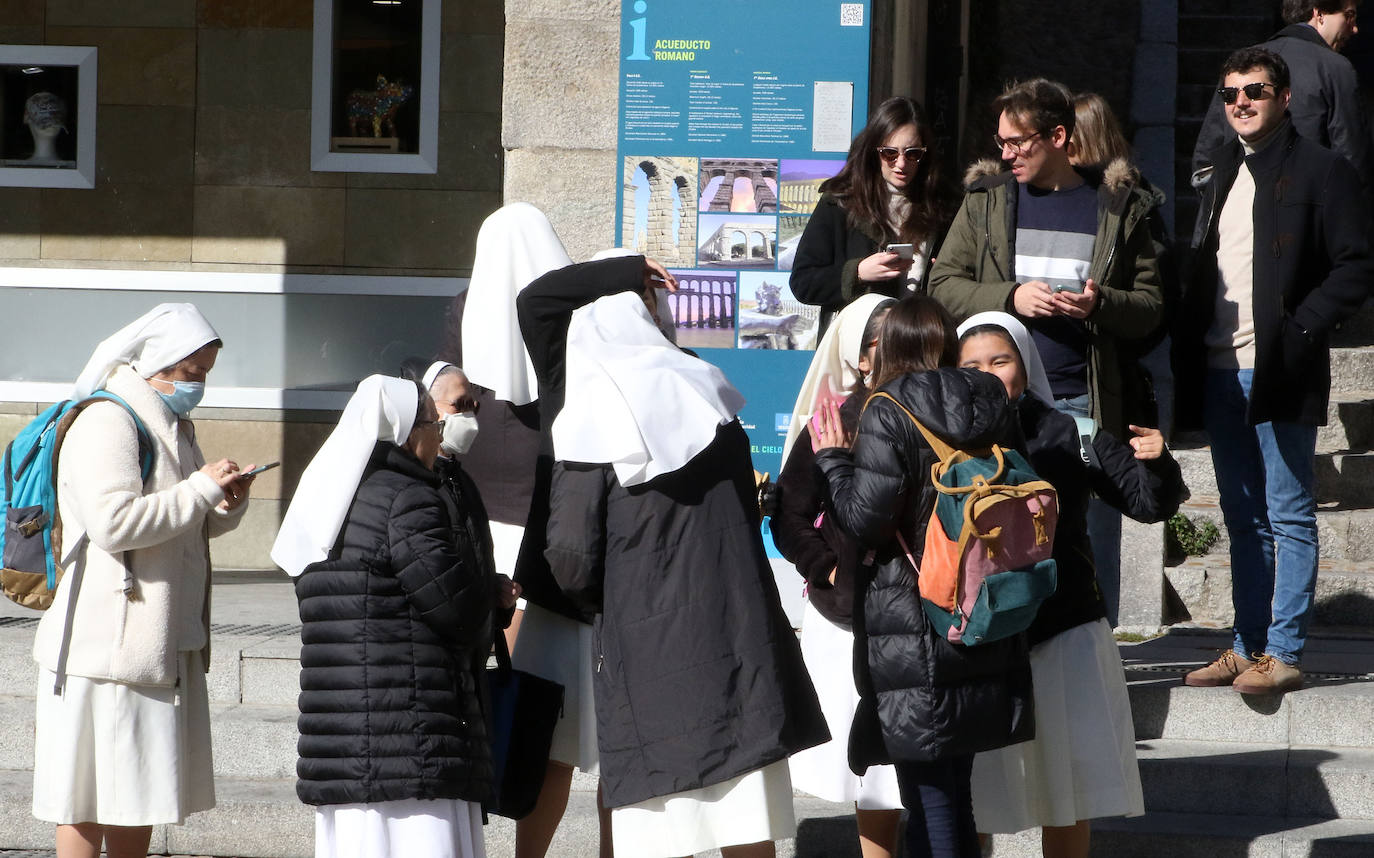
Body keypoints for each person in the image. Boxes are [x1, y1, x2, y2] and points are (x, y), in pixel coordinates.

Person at [542, 288, 829, 858]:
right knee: (746, 814)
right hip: (737, 626)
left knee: (660, 823)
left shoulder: (593, 419)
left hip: (648, 646)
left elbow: (571, 560)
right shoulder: (706, 393)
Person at [1176, 47, 1374, 694]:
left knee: (1288, 512)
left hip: (1281, 366)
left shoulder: (1324, 171)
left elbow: (1357, 265)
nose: (1241, 102)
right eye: (1230, 93)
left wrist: (1303, 326)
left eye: (1255, 91)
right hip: (1217, 364)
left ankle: (1283, 650)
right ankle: (1246, 644)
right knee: (1241, 516)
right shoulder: (1221, 170)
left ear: (1284, 96)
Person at [811, 296, 1035, 858]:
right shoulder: (989, 397)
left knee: (929, 791)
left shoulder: (886, 409)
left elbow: (866, 520)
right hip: (981, 603)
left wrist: (835, 460)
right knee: (953, 786)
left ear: (890, 347)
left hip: (912, 617)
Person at [957, 312, 1185, 858]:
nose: (987, 374)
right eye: (971, 365)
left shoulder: (1069, 430)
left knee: (1069, 790)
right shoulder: (941, 439)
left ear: (1025, 364)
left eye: (1000, 360)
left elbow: (1147, 504)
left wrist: (1156, 463)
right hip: (976, 639)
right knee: (974, 794)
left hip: (1064, 631)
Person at [31, 303, 254, 858]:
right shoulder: (109, 420)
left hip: (152, 641)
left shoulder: (169, 420)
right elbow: (115, 523)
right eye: (193, 372)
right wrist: (200, 490)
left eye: (205, 372)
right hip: (104, 648)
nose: (200, 384)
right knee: (85, 801)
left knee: (140, 798)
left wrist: (223, 503)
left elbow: (176, 526)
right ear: (159, 363)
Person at [274, 375, 513, 858]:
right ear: (408, 432)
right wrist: (492, 598)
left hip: (347, 735)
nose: (439, 435)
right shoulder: (408, 498)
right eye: (432, 423)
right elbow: (455, 609)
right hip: (409, 732)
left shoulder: (330, 498)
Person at [928, 78, 1165, 441]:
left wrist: (1099, 303)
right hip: (994, 399)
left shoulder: (1117, 208)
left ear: (1057, 137)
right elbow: (942, 286)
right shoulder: (985, 202)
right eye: (1001, 142)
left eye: (1017, 142)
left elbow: (1150, 308)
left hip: (1081, 400)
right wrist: (1011, 298)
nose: (1006, 154)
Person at [772, 294, 904, 858]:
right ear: (863, 354)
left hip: (922, 614)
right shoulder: (835, 418)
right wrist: (824, 565)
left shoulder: (941, 413)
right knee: (873, 774)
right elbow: (788, 512)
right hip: (849, 618)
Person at [790, 96, 959, 331]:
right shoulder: (840, 203)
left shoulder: (942, 206)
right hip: (857, 346)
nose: (901, 164)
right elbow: (803, 283)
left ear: (924, 155)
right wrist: (858, 273)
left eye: (912, 154)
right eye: (890, 153)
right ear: (874, 151)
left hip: (920, 342)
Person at [1191, 0, 1370, 197]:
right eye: (1349, 15)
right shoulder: (1336, 69)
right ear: (1319, 14)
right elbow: (1352, 163)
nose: (1354, 29)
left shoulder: (1242, 64)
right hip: (1305, 210)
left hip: (1239, 210)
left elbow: (1205, 160)